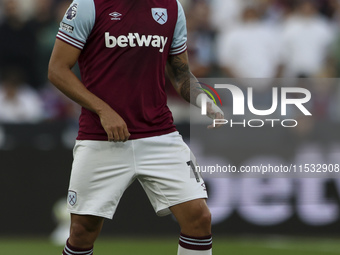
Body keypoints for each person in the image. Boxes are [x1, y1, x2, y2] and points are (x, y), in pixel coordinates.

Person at [48, 1, 224, 255]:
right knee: (81, 232)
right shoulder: (88, 5)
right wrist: (103, 110)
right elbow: (56, 69)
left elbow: (180, 72)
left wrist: (204, 101)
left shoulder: (172, 8)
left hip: (160, 134)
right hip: (101, 138)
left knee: (199, 217)